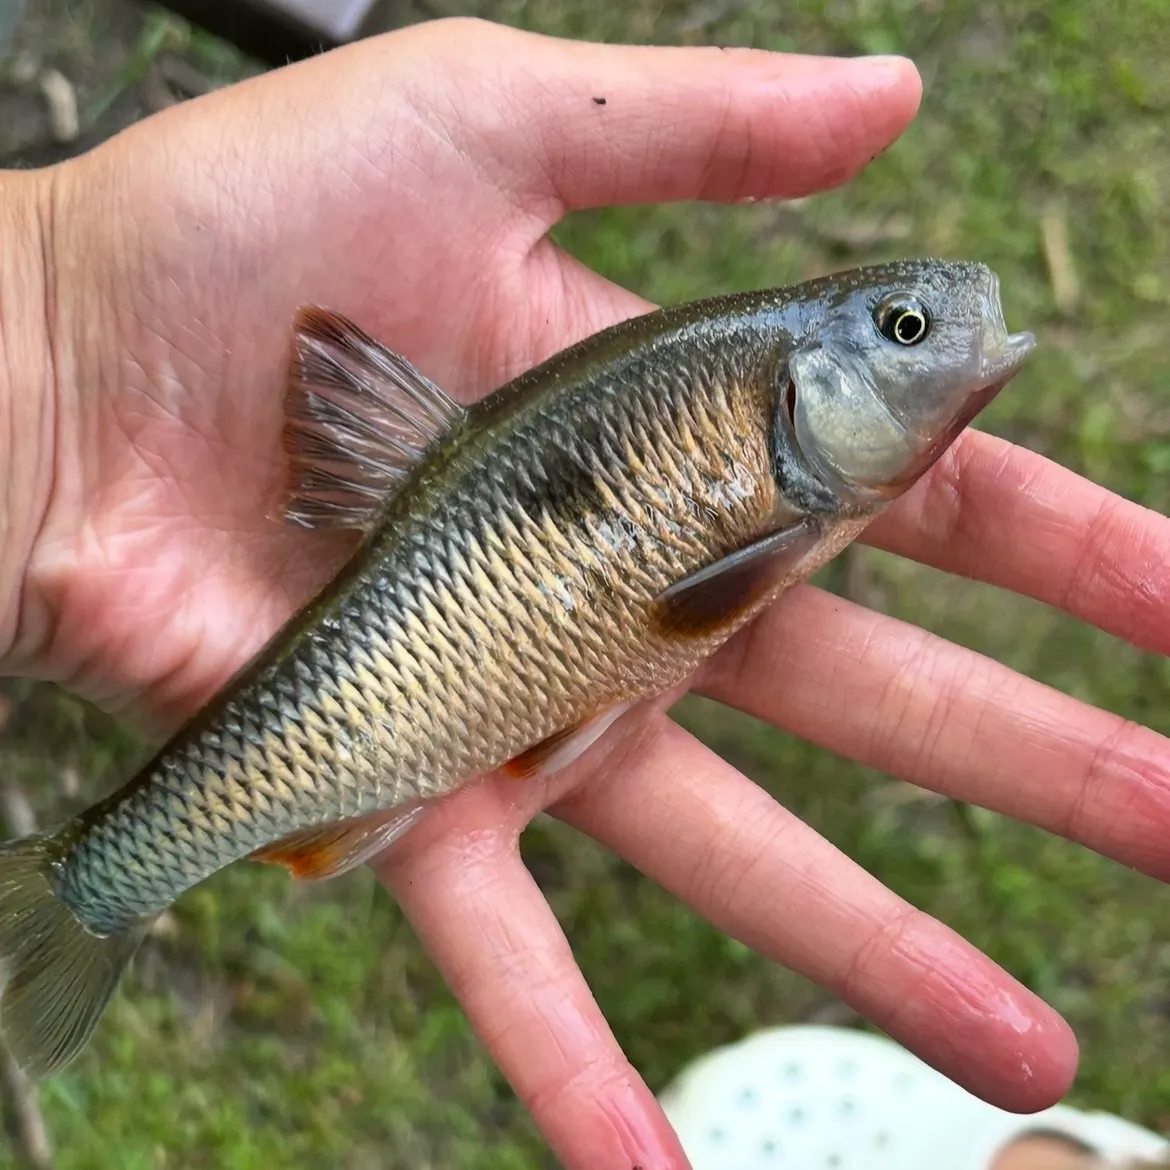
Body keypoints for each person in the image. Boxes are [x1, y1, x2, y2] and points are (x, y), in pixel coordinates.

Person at [1, 17, 1167, 1170]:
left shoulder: (791, 485)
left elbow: (679, 617)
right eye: (904, 330)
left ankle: (98, 879)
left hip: (465, 623)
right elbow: (688, 613)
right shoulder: (782, 493)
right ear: (807, 382)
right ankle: (91, 882)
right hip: (434, 643)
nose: (937, 340)